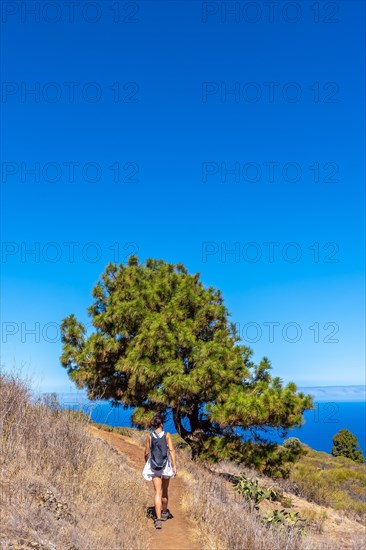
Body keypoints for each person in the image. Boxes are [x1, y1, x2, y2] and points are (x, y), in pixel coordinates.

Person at [143, 413, 177, 529]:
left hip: (154, 466)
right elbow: (172, 451)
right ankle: (164, 513)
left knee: (157, 492)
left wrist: (146, 462)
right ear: (161, 424)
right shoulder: (167, 435)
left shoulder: (150, 436)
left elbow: (146, 452)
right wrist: (174, 466)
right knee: (165, 491)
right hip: (165, 466)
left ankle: (158, 520)